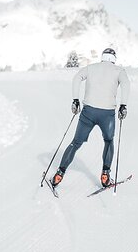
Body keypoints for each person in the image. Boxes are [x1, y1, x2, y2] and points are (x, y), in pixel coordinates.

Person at [50, 47, 130, 190]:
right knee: (109, 141)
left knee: (75, 143)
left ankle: (59, 173)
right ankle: (105, 175)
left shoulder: (91, 68)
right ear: (114, 59)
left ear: (102, 57)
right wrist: (123, 105)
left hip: (88, 112)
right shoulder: (119, 71)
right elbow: (126, 85)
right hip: (107, 114)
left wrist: (75, 100)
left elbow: (76, 78)